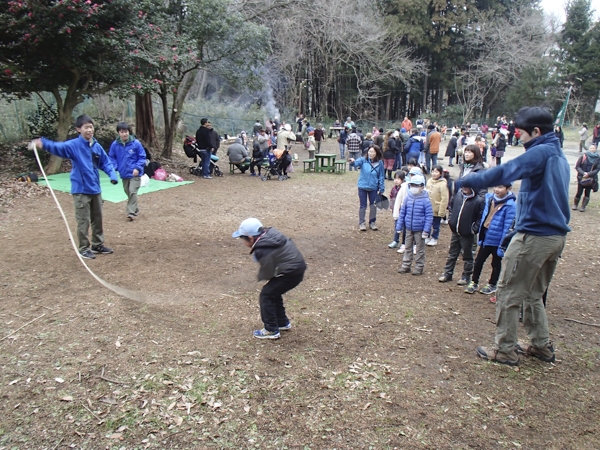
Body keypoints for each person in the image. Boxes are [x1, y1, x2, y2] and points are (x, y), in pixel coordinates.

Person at [455, 106, 570, 366]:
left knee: (508, 291)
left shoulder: (540, 152)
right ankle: (540, 345)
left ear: (536, 131)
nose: (518, 138)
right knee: (533, 293)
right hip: (555, 237)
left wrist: (467, 181)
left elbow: (506, 172)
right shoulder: (558, 155)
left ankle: (505, 349)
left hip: (534, 236)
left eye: (521, 133)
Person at [33, 114, 118, 260]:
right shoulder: (74, 146)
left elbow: (105, 162)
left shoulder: (96, 146)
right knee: (83, 220)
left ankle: (97, 244)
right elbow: (58, 148)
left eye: (91, 127)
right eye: (86, 127)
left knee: (97, 218)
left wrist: (112, 175)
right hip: (81, 190)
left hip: (95, 189)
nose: (90, 130)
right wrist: (43, 143)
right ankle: (84, 248)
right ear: (79, 129)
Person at [232, 218, 306, 340]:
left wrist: (262, 277)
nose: (242, 242)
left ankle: (271, 329)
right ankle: (282, 323)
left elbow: (267, 271)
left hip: (290, 272)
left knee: (266, 294)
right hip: (297, 268)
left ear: (250, 238)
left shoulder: (262, 249)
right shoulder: (270, 235)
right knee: (273, 293)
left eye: (242, 238)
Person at [464, 184, 516, 295]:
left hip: (497, 241)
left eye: (501, 187)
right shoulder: (490, 199)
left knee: (496, 264)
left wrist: (502, 245)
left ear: (509, 189)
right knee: (478, 261)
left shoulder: (510, 206)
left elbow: (507, 227)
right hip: (487, 237)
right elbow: (484, 217)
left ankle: (492, 284)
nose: (497, 189)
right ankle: (474, 282)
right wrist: (481, 234)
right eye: (496, 186)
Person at [439, 186, 484, 286]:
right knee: (452, 254)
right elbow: (451, 207)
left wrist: (473, 229)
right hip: (455, 231)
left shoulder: (478, 201)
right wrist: (451, 221)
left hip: (467, 233)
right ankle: (447, 273)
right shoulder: (458, 195)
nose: (464, 188)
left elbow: (480, 217)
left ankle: (466, 276)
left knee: (467, 256)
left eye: (467, 187)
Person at [108, 122, 146, 221]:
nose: (124, 134)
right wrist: (116, 167)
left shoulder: (136, 143)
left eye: (126, 132)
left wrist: (137, 168)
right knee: (127, 191)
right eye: (122, 132)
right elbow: (111, 157)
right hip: (124, 173)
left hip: (135, 173)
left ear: (129, 132)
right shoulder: (115, 145)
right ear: (118, 133)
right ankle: (135, 208)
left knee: (133, 191)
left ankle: (131, 212)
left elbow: (142, 157)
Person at [396, 174, 433, 276]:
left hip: (420, 230)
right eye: (412, 185)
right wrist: (399, 226)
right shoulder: (408, 198)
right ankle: (406, 265)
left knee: (420, 250)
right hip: (408, 228)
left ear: (422, 186)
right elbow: (402, 213)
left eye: (416, 185)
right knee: (408, 247)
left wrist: (426, 230)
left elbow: (429, 217)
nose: (414, 188)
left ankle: (419, 267)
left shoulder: (426, 200)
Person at [349, 145, 385, 231]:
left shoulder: (380, 163)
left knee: (373, 206)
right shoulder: (363, 160)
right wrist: (352, 162)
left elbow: (381, 176)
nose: (371, 153)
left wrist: (381, 188)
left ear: (377, 153)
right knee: (363, 206)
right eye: (369, 151)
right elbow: (355, 163)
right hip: (362, 186)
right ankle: (362, 223)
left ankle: (372, 222)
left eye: (373, 152)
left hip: (373, 187)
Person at [425, 165, 448, 247]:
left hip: (436, 208)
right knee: (427, 223)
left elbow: (444, 198)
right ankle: (427, 236)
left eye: (436, 172)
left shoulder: (443, 184)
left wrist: (442, 211)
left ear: (440, 173)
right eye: (433, 171)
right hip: (428, 207)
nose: (434, 174)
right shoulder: (429, 181)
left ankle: (434, 238)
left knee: (436, 225)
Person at [573, 143, 600, 211]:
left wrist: (589, 174)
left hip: (591, 178)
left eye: (593, 148)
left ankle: (583, 206)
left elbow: (597, 169)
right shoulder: (583, 156)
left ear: (595, 149)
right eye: (591, 148)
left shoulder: (597, 158)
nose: (592, 149)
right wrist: (583, 173)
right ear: (588, 149)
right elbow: (577, 166)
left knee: (587, 192)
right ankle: (575, 204)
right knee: (579, 192)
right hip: (581, 177)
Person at [388, 171, 406, 249]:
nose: (396, 180)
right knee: (396, 226)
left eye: (398, 179)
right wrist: (392, 207)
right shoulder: (393, 189)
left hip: (403, 212)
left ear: (402, 180)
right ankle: (395, 240)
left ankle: (404, 243)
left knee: (405, 228)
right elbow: (391, 198)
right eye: (395, 178)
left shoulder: (404, 189)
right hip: (396, 212)